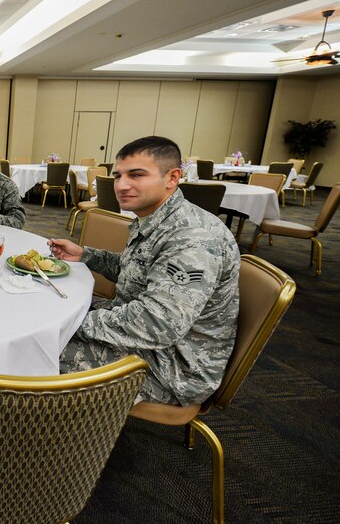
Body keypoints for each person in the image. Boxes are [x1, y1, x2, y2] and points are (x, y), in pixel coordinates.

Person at [47, 136, 240, 406]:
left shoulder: (192, 238)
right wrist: (86, 255)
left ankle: (45, 438)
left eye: (136, 175)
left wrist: (64, 325)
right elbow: (137, 272)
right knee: (49, 302)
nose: (122, 185)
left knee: (38, 350)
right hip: (144, 337)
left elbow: (158, 323)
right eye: (118, 176)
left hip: (173, 367)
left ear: (172, 177)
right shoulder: (156, 217)